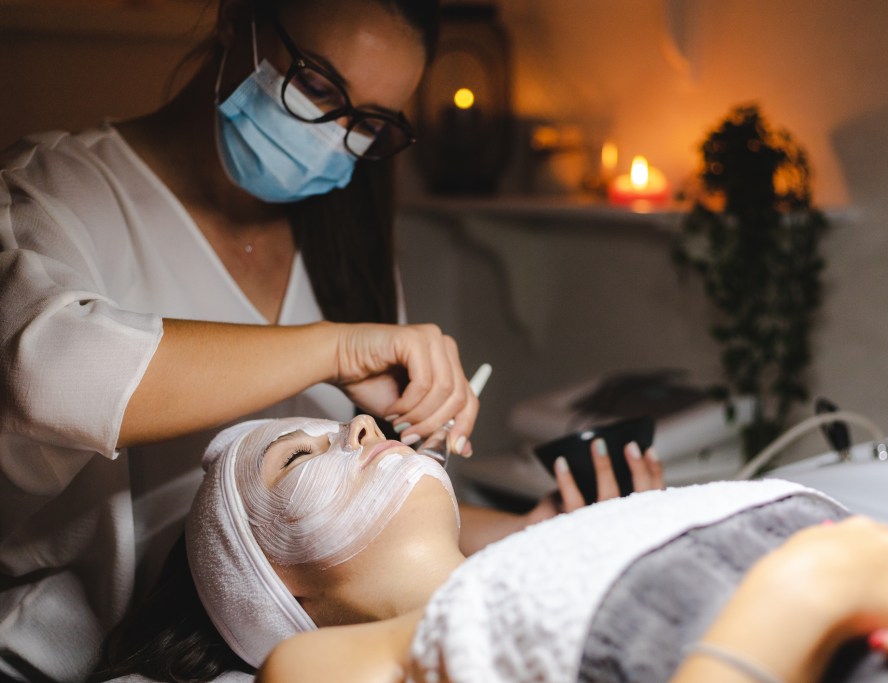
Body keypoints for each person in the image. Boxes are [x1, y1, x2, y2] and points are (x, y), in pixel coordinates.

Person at [0, 0, 547, 679]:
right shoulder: (55, 191)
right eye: (318, 85)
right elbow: (46, 375)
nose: (334, 134)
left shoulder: (346, 244)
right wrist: (332, 349)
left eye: (369, 123)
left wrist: (531, 530)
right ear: (238, 20)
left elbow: (359, 527)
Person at [98, 414, 888, 683]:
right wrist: (800, 598)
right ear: (274, 588)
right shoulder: (317, 664)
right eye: (298, 456)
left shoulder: (538, 562)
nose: (359, 424)